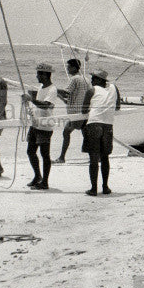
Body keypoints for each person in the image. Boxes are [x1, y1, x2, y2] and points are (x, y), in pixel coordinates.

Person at [82, 67, 120, 196]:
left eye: (93, 78)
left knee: (93, 158)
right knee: (105, 157)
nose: (91, 81)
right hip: (108, 125)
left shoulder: (92, 90)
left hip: (94, 124)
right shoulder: (114, 88)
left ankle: (93, 188)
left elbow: (83, 110)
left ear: (99, 79)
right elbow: (118, 106)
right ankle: (105, 187)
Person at [23, 63, 57, 190]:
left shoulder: (52, 89)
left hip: (45, 126)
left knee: (44, 154)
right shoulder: (41, 87)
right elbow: (38, 105)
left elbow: (46, 105)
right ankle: (37, 176)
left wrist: (31, 99)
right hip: (36, 124)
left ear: (45, 75)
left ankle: (45, 182)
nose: (37, 76)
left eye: (39, 74)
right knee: (30, 152)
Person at [55, 57, 90, 163]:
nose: (68, 69)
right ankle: (94, 156)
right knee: (86, 134)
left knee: (66, 132)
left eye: (69, 67)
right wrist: (58, 95)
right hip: (86, 111)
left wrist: (53, 89)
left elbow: (66, 92)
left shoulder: (74, 79)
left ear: (75, 68)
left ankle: (62, 157)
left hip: (76, 113)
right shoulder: (86, 79)